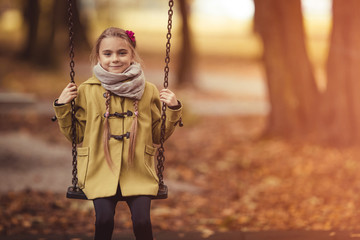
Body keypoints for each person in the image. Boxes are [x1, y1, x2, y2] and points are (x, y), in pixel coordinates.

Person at [53, 27, 182, 240]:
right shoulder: (86, 90)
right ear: (98, 56)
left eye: (122, 53)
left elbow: (157, 135)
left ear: (132, 55)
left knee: (142, 222)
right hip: (99, 168)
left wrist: (174, 109)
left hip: (138, 169)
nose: (115, 59)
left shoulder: (147, 90)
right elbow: (76, 135)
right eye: (107, 53)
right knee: (104, 220)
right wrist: (62, 106)